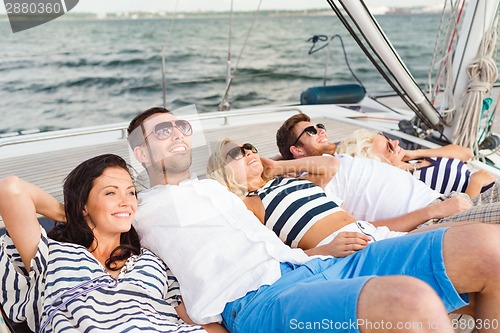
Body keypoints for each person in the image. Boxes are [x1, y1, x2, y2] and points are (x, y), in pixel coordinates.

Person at [127, 106, 500, 333]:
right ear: (142, 152)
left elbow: (325, 172)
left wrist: (319, 248)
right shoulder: (139, 207)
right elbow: (78, 216)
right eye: (164, 130)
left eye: (182, 127)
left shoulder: (214, 193)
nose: (177, 133)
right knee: (409, 301)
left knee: (488, 247)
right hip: (261, 299)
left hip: (314, 264)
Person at [0, 154, 225, 333]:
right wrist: (71, 213)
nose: (126, 201)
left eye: (131, 192)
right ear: (84, 204)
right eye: (110, 193)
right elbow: (10, 189)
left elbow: (190, 318)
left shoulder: (152, 260)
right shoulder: (53, 256)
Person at [276, 113, 500, 228]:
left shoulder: (342, 159)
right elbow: (359, 230)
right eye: (312, 131)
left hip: (449, 202)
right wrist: (278, 166)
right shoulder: (319, 186)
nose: (321, 131)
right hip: (438, 215)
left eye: (320, 127)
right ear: (296, 150)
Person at [206, 138, 407, 257]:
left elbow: (331, 166)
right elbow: (271, 256)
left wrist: (278, 167)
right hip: (344, 252)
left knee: (439, 238)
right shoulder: (247, 204)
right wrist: (324, 251)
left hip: (374, 234)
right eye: (237, 152)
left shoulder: (287, 182)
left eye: (250, 147)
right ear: (222, 170)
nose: (249, 152)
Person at [337, 128, 499, 200]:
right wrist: (475, 183)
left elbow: (466, 153)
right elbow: (458, 213)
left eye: (389, 139)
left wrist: (416, 153)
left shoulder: (414, 160)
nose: (396, 142)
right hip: (487, 201)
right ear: (378, 163)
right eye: (389, 147)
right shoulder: (409, 183)